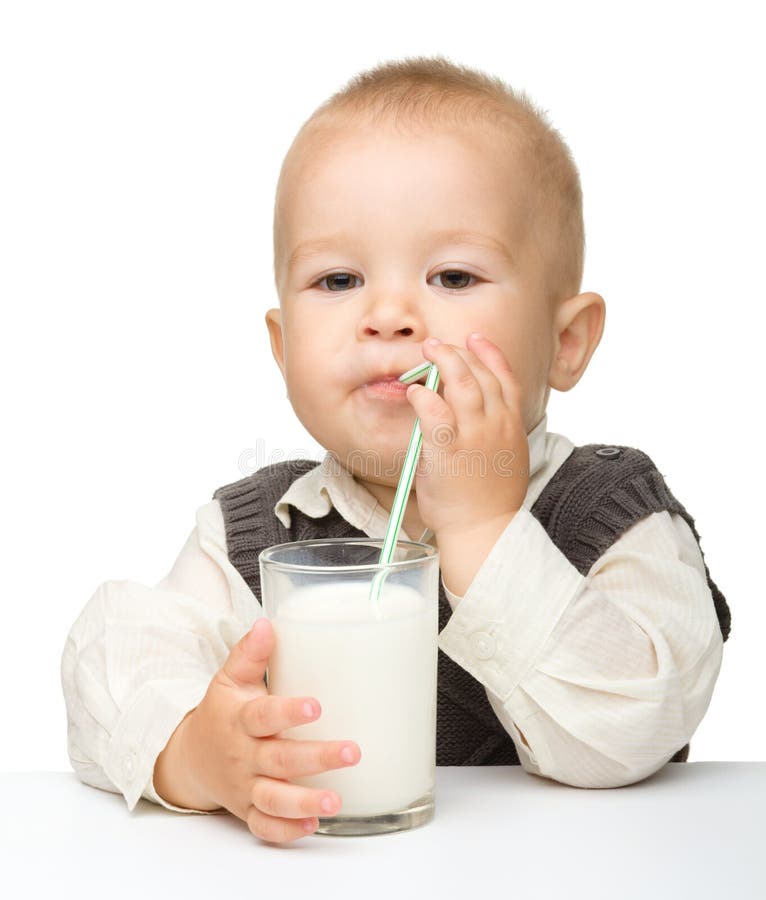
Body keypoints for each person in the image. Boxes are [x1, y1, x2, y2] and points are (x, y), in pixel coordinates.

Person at [61, 55, 730, 845]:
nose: (387, 316)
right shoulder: (260, 537)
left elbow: (638, 725)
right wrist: (195, 754)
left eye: (451, 275)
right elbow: (114, 660)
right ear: (283, 350)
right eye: (339, 281)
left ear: (565, 342)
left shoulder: (612, 515)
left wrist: (485, 531)